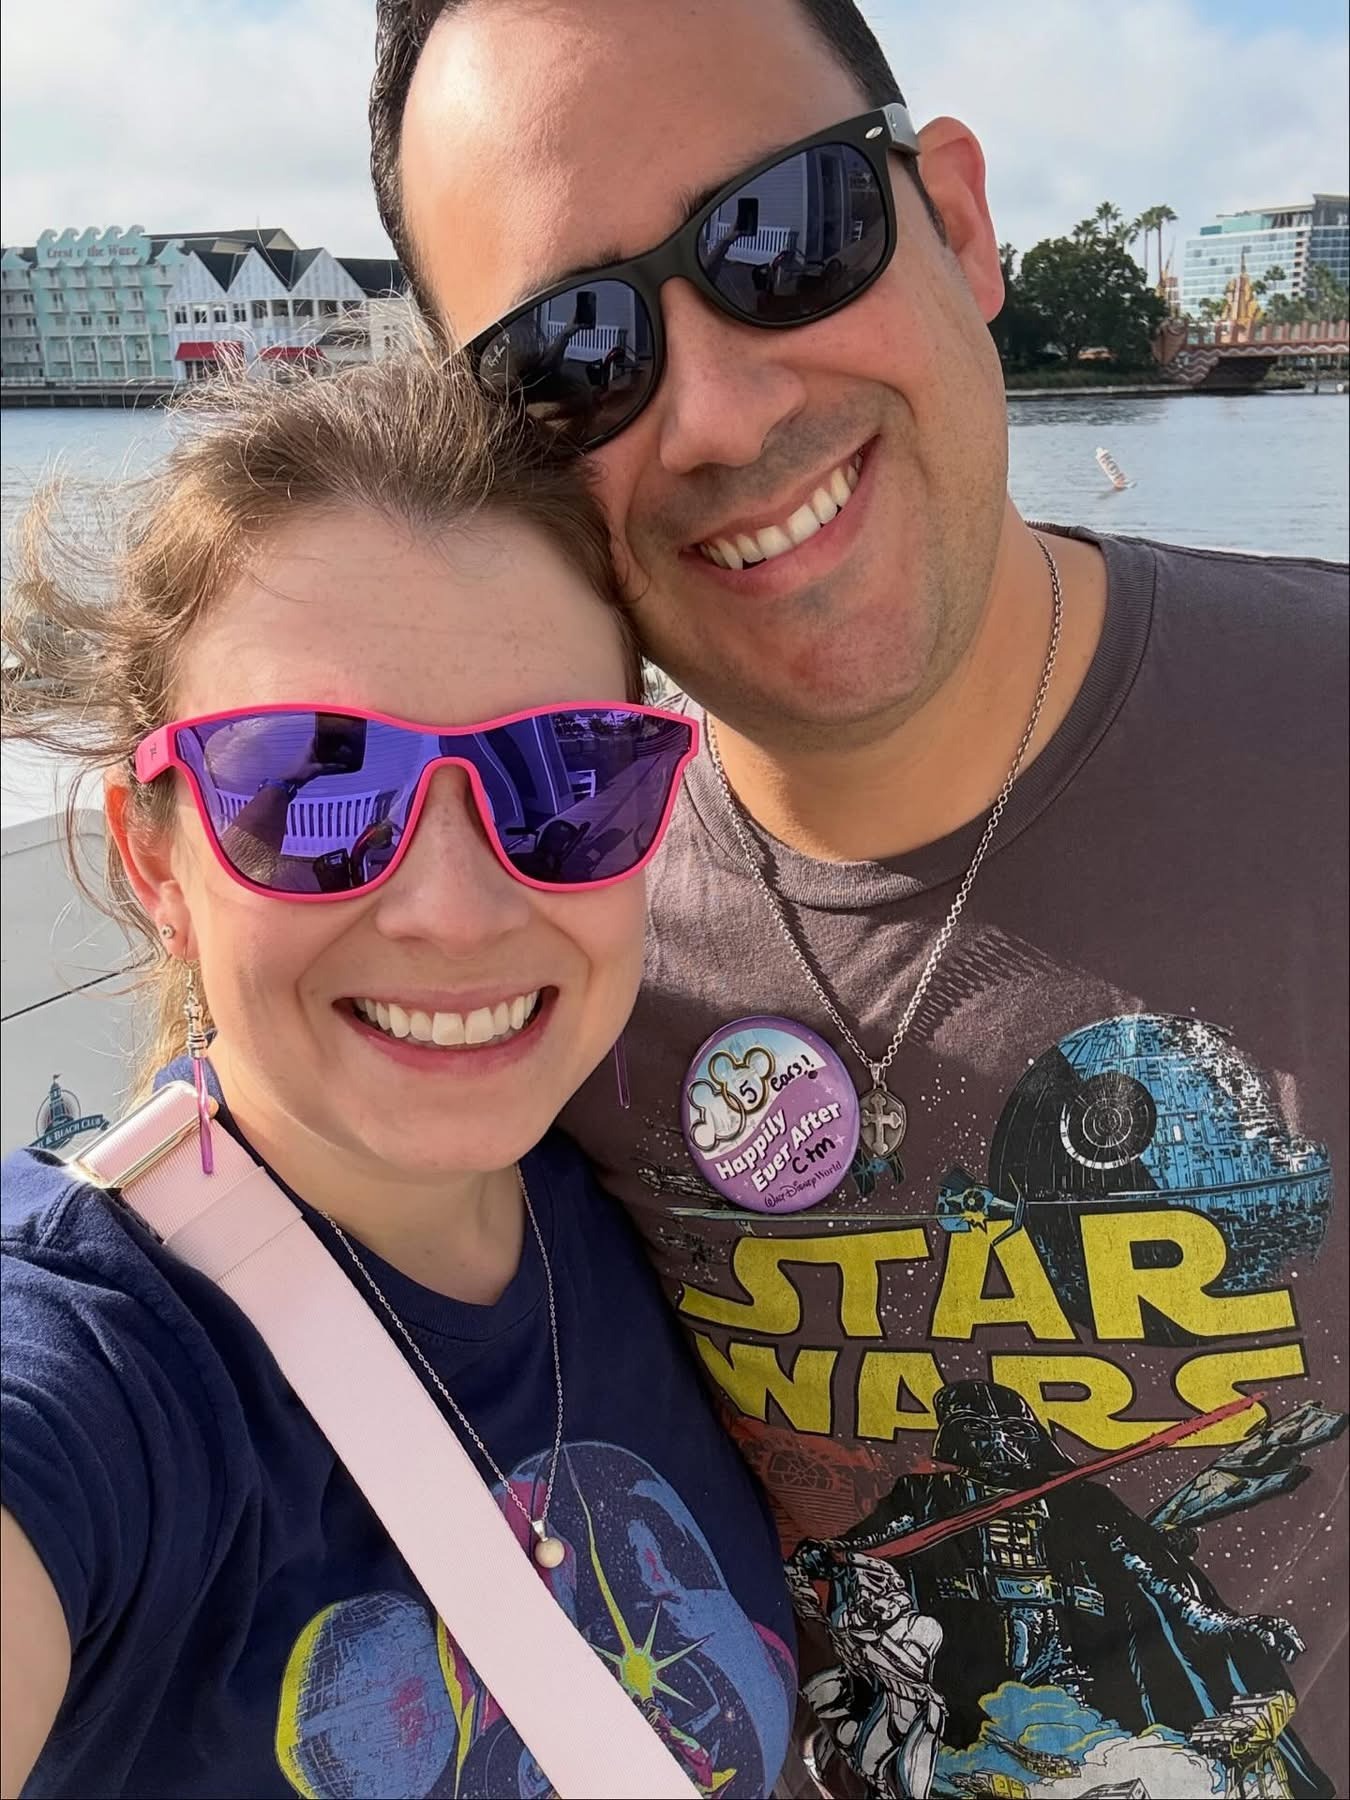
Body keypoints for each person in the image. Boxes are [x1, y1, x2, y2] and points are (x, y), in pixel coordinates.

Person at [369, 2, 1349, 1795]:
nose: (720, 412)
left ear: (958, 223)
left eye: (782, 234)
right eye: (568, 354)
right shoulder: (533, 938)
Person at [0, 358, 797, 1800]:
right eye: (312, 790)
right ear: (155, 861)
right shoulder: (97, 1371)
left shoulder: (659, 1202)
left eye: (567, 777)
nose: (455, 912)